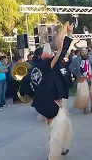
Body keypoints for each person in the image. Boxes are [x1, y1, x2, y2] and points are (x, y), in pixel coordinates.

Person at [30, 22, 73, 159]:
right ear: (47, 55)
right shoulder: (48, 64)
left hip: (41, 103)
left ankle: (59, 148)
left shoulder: (34, 68)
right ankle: (53, 153)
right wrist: (67, 34)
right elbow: (61, 50)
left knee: (56, 125)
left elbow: (26, 85)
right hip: (50, 102)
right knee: (57, 128)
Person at [69, 44, 92, 114]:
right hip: (82, 78)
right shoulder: (75, 59)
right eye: (82, 52)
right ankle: (85, 107)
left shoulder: (90, 57)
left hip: (91, 77)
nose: (84, 53)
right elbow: (70, 67)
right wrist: (76, 74)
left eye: (85, 52)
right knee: (83, 94)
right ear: (80, 52)